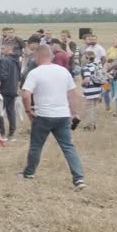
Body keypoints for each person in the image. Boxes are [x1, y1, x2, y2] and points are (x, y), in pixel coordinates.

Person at [20, 45, 86, 190]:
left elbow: (25, 95)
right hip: (62, 115)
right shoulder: (63, 71)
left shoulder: (34, 73)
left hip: (43, 115)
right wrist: (73, 113)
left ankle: (29, 173)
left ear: (37, 56)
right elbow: (72, 95)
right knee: (68, 147)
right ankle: (79, 178)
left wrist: (28, 110)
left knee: (36, 146)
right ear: (51, 56)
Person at [79, 49, 103, 130]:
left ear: (87, 58)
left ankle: (90, 125)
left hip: (90, 90)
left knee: (89, 108)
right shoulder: (98, 65)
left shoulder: (87, 67)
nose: (81, 58)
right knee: (94, 107)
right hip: (98, 90)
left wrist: (82, 84)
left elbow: (87, 79)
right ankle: (94, 123)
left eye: (83, 57)